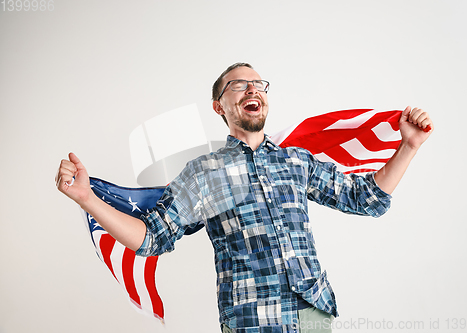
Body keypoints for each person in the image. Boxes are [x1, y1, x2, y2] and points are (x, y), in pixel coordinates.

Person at [56, 63, 433, 332]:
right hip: (252, 319)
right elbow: (152, 236)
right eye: (238, 85)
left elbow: (367, 198)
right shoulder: (203, 174)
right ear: (219, 106)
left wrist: (409, 147)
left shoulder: (296, 161)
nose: (253, 89)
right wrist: (88, 199)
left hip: (313, 314)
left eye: (258, 84)